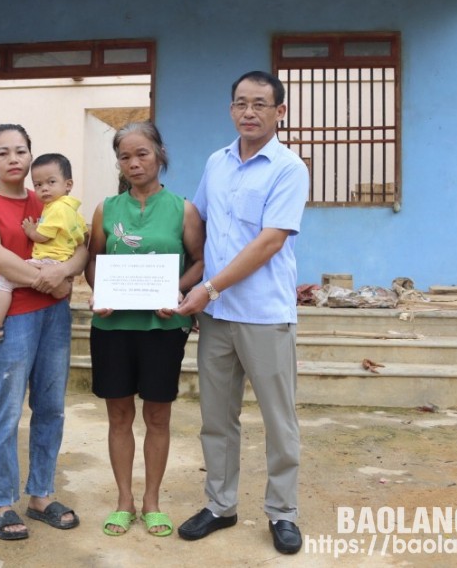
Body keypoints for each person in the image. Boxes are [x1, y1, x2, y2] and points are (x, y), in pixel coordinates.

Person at [175, 71, 309, 555]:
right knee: (216, 417)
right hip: (216, 316)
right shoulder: (217, 162)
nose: (248, 112)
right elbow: (200, 225)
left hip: (265, 313)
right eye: (240, 103)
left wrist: (207, 288)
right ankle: (220, 505)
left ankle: (282, 512)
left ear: (280, 112)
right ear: (231, 109)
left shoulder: (289, 168)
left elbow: (269, 242)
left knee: (279, 419)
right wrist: (181, 285)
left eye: (259, 104)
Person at [0, 124, 88, 541]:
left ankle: (40, 495)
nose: (13, 159)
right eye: (3, 153)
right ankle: (0, 501)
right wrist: (44, 280)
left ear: (31, 156)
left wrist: (67, 271)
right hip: (12, 317)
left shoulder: (47, 196)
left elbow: (81, 242)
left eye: (20, 151)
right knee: (7, 409)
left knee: (50, 407)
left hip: (54, 316)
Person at [85, 122, 205, 538]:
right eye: (125, 156)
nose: (134, 163)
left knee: (157, 415)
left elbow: (200, 262)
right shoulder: (106, 209)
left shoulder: (183, 209)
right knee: (118, 415)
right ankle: (124, 501)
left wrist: (178, 289)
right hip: (112, 326)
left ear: (159, 154)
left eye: (142, 154)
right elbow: (93, 259)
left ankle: (152, 501)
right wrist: (98, 290)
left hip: (162, 326)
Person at [0, 153, 86, 342]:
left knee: (4, 281)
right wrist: (57, 281)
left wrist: (31, 230)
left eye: (20, 152)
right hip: (33, 302)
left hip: (50, 277)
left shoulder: (53, 207)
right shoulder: (69, 208)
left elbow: (44, 236)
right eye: (38, 185)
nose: (44, 188)